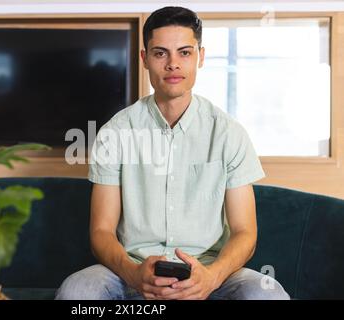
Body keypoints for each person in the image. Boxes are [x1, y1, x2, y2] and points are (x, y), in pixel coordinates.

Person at [55, 6, 290, 300]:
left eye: (185, 52)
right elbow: (101, 232)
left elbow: (245, 232)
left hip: (210, 273)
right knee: (78, 290)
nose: (173, 64)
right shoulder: (115, 132)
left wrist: (212, 277)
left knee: (266, 294)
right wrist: (133, 274)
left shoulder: (229, 133)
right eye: (160, 53)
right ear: (144, 59)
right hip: (132, 271)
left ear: (200, 57)